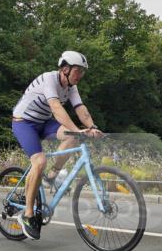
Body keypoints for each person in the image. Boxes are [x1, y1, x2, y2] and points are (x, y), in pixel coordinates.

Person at [10, 51, 102, 240]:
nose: (80, 76)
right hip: (24, 122)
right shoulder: (49, 79)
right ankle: (28, 215)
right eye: (78, 71)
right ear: (65, 69)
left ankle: (50, 177)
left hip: (43, 123)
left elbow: (81, 109)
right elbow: (57, 109)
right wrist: (77, 129)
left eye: (83, 72)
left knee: (72, 138)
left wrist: (91, 127)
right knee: (40, 161)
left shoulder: (71, 87)